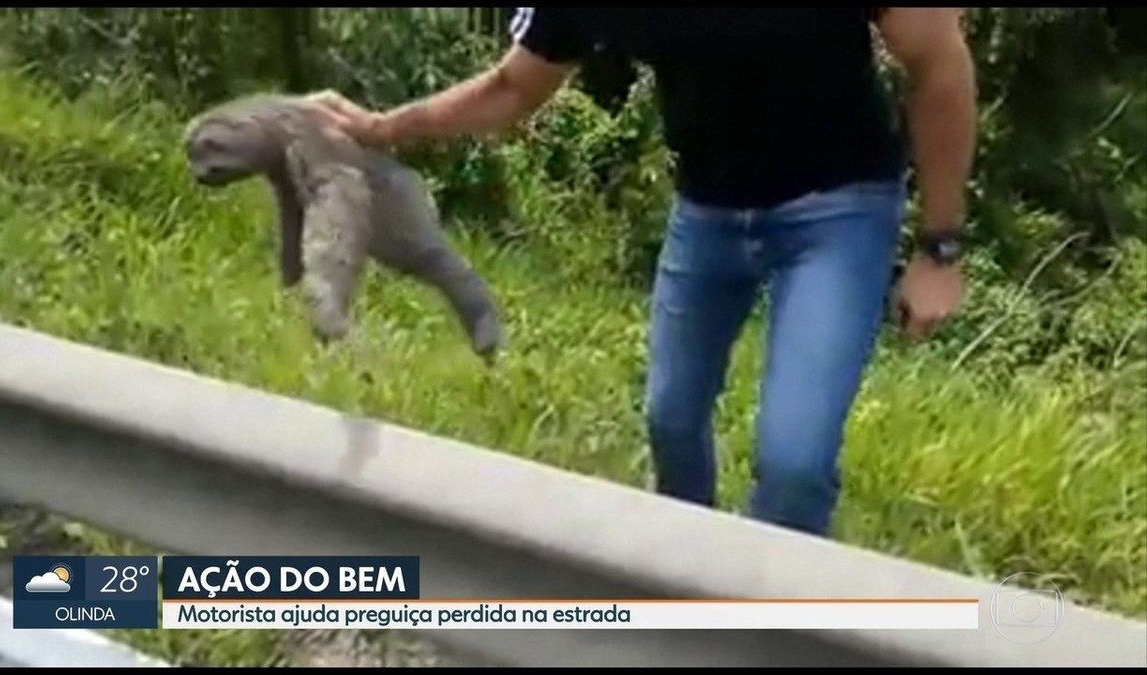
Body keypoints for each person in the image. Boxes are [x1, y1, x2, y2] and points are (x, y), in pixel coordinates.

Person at [310, 8, 977, 538]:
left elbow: (939, 58)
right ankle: (690, 585)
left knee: (794, 463)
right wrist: (381, 128)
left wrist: (939, 248)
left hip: (839, 209)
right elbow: (514, 87)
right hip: (708, 210)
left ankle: (771, 633)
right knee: (670, 420)